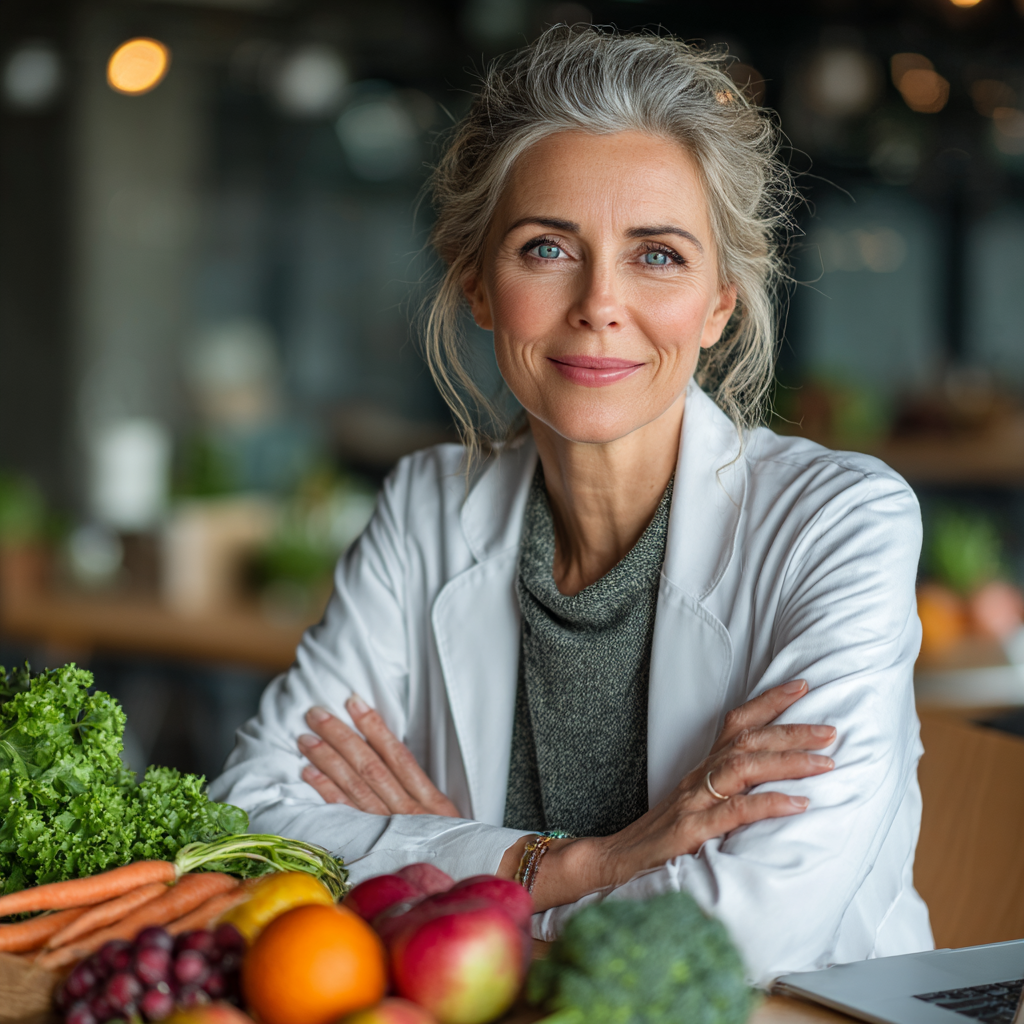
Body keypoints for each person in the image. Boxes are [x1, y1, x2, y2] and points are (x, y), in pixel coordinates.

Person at [210, 27, 933, 984]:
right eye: (547, 247)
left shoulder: (842, 523)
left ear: (720, 302)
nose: (599, 302)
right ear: (476, 282)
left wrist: (449, 879)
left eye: (659, 256)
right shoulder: (427, 506)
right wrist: (579, 861)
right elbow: (248, 822)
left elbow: (747, 936)